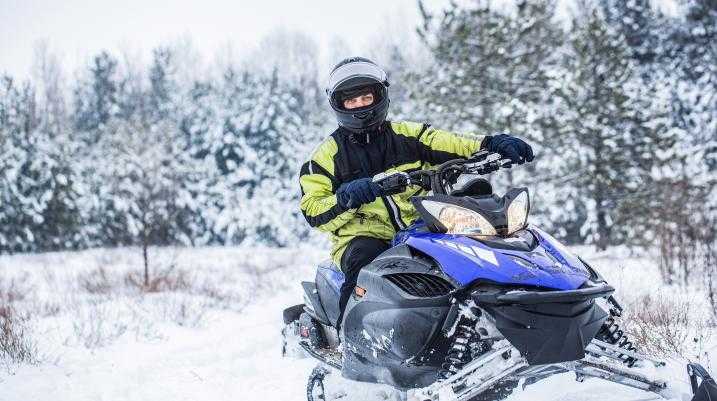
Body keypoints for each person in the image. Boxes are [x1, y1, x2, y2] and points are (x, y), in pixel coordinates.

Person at [298, 57, 533, 333]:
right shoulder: (324, 157)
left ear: (380, 96)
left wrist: (491, 143)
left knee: (469, 244)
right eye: (352, 101)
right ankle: (351, 339)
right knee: (364, 257)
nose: (361, 105)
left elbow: (451, 142)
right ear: (339, 105)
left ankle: (493, 318)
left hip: (420, 224)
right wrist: (348, 197)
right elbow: (313, 210)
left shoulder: (408, 134)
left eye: (366, 96)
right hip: (364, 236)